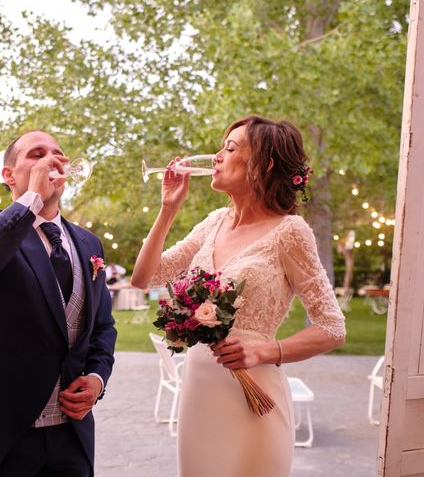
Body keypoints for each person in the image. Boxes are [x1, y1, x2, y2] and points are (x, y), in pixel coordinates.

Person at [131, 115, 346, 477]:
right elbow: (145, 277)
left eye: (229, 148)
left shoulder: (290, 232)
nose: (216, 156)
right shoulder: (214, 221)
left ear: (265, 163)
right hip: (199, 392)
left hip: (254, 400)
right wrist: (168, 209)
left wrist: (266, 350)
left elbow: (332, 327)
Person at [0, 130, 117, 477]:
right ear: (8, 175)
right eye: (36, 154)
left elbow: (102, 326)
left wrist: (97, 379)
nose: (52, 160)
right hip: (5, 433)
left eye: (57, 153)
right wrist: (29, 200)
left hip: (71, 434)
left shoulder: (89, 244)